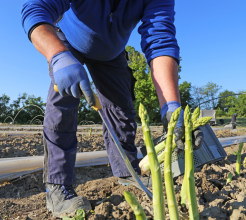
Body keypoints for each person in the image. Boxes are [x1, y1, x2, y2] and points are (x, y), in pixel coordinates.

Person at [21, 0, 204, 217]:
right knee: (62, 105)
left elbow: (160, 40)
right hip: (68, 44)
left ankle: (127, 172)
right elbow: (36, 9)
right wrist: (58, 55)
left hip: (111, 53)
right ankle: (57, 186)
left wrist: (171, 105)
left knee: (122, 111)